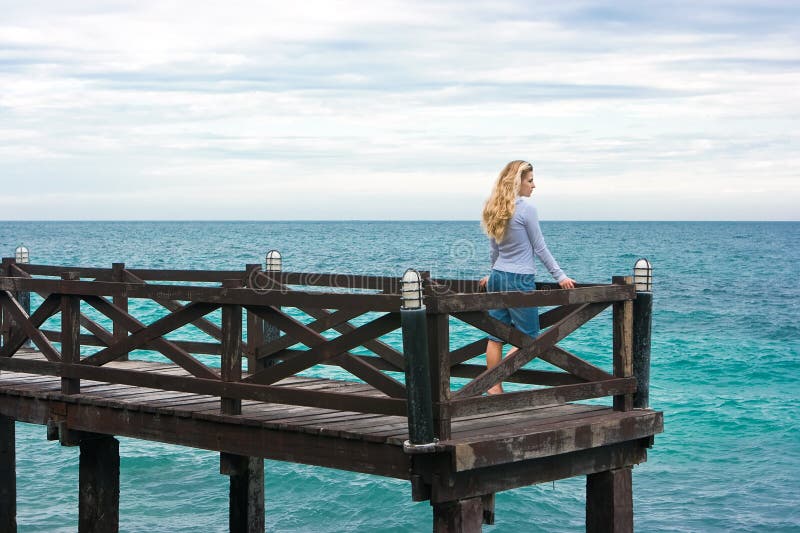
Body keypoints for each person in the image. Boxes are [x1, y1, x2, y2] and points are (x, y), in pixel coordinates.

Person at [478, 160, 576, 394]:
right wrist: (560, 276)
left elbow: (495, 250)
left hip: (498, 277)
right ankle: (497, 377)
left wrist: (492, 275)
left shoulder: (496, 208)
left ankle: (493, 387)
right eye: (530, 181)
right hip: (520, 279)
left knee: (496, 334)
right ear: (517, 182)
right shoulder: (526, 210)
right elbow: (540, 247)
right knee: (530, 337)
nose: (534, 186)